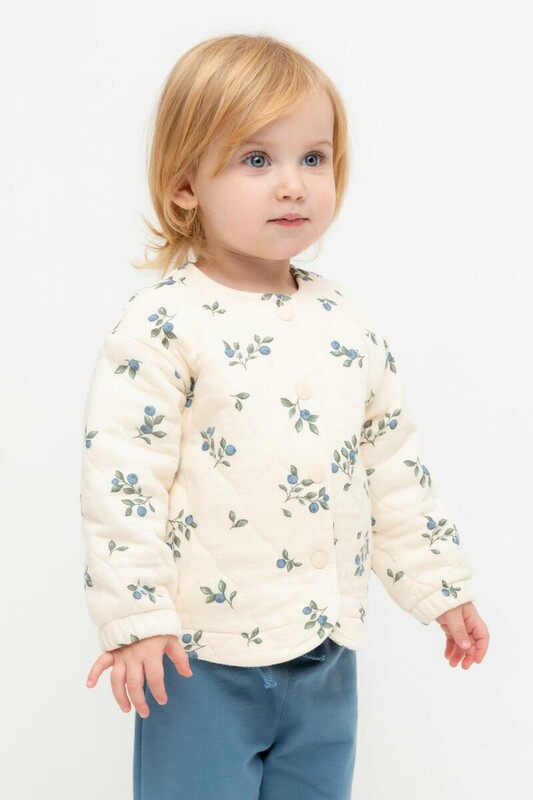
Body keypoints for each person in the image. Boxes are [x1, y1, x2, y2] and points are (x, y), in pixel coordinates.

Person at [81, 32, 490, 800]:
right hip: (198, 656)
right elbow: (122, 485)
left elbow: (392, 467)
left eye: (313, 158)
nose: (292, 185)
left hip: (325, 652)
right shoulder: (162, 325)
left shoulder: (346, 322)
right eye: (256, 160)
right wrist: (137, 617)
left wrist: (440, 585)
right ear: (184, 185)